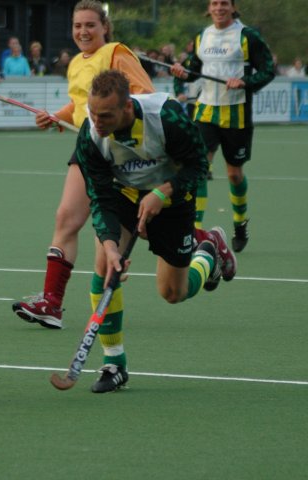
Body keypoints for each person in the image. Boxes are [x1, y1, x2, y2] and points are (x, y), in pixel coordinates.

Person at [74, 69, 237, 393]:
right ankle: (114, 364)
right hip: (123, 196)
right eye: (93, 113)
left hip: (174, 198)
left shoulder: (166, 117)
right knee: (106, 268)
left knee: (172, 293)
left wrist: (162, 193)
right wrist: (110, 246)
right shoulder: (91, 134)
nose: (98, 121)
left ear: (128, 109)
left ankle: (209, 252)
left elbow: (198, 167)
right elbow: (100, 195)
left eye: (105, 115)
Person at [12, 0, 154, 330]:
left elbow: (145, 93)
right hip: (89, 148)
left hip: (123, 151)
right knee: (66, 217)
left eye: (90, 25)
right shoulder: (76, 63)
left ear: (104, 27)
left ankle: (205, 244)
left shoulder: (117, 53)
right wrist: (57, 117)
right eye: (78, 26)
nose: (83, 31)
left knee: (151, 231)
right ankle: (51, 303)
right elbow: (79, 105)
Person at [171, 0, 275, 252]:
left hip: (236, 115)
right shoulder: (202, 36)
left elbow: (268, 70)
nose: (219, 8)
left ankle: (240, 223)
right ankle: (194, 230)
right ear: (209, 8)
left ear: (232, 7)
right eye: (215, 3)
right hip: (205, 111)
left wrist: (245, 82)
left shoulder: (247, 36)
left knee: (234, 174)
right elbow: (194, 70)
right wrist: (183, 72)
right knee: (198, 168)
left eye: (224, 3)